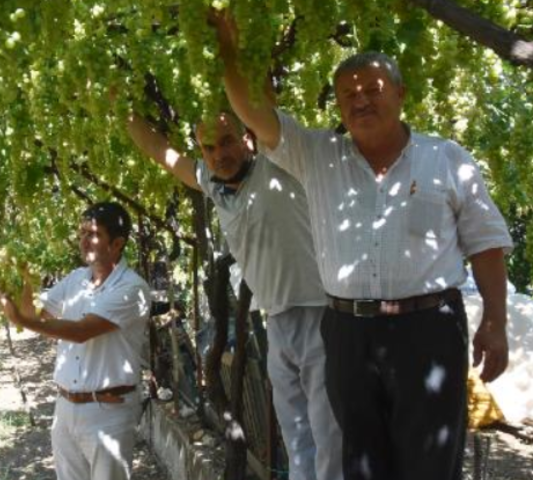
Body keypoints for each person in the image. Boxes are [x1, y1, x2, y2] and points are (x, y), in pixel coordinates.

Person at [214, 15, 513, 480]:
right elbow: (252, 111)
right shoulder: (317, 157)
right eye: (348, 95)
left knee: (430, 466)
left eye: (372, 89)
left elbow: (487, 243)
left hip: (428, 330)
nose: (360, 100)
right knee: (363, 464)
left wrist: (495, 321)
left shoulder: (446, 158)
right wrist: (230, 51)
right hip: (349, 335)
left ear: (400, 94)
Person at [125, 111, 342, 480]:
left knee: (329, 436)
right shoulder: (212, 182)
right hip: (276, 320)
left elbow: (261, 103)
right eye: (208, 147)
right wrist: (122, 106)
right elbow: (161, 152)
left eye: (226, 141)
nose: (218, 154)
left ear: (248, 137)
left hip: (320, 313)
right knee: (296, 436)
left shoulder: (280, 163)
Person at [0, 202, 151, 480]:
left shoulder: (132, 288)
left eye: (93, 234)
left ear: (117, 244)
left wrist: (18, 318)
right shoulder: (76, 279)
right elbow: (40, 318)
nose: (83, 240)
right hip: (65, 408)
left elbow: (80, 331)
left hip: (108, 413)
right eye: (82, 233)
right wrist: (24, 283)